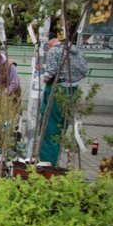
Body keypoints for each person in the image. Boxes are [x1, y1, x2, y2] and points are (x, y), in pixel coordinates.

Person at [39, 36, 88, 166]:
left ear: (50, 44)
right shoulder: (76, 50)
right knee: (61, 127)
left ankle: (47, 162)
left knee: (50, 128)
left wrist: (42, 74)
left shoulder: (54, 52)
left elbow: (48, 76)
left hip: (58, 89)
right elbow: (84, 72)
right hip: (73, 90)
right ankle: (53, 160)